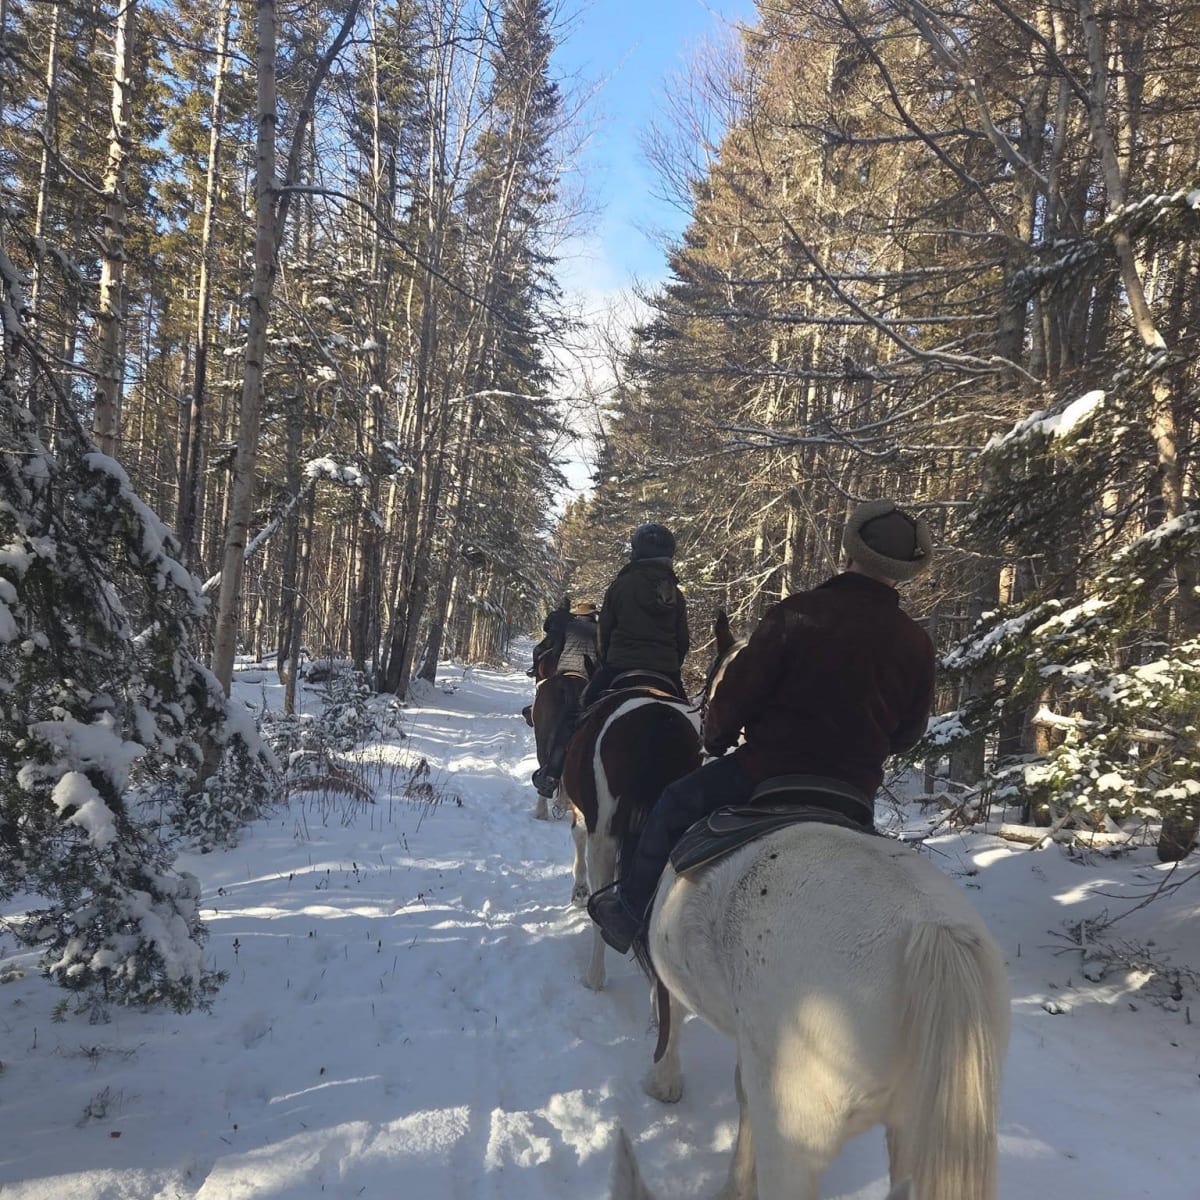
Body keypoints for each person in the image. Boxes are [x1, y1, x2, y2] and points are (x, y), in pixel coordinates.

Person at [587, 499, 937, 954]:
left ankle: (629, 910)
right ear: (902, 570)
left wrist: (716, 737)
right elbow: (909, 733)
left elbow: (738, 694)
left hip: (766, 773)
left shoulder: (796, 614)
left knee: (674, 802)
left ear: (848, 550)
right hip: (853, 793)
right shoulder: (916, 642)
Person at [530, 523, 691, 798]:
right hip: (666, 672)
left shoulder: (621, 585)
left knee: (576, 714)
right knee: (691, 720)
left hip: (620, 666)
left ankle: (552, 771)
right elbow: (683, 639)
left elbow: (605, 632)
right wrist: (671, 664)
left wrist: (606, 662)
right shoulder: (676, 594)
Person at [527, 596, 571, 678]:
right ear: (569, 606)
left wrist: (551, 631)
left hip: (550, 641)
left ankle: (535, 669)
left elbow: (545, 627)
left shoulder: (553, 614)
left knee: (536, 651)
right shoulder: (572, 617)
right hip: (566, 643)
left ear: (560, 605)